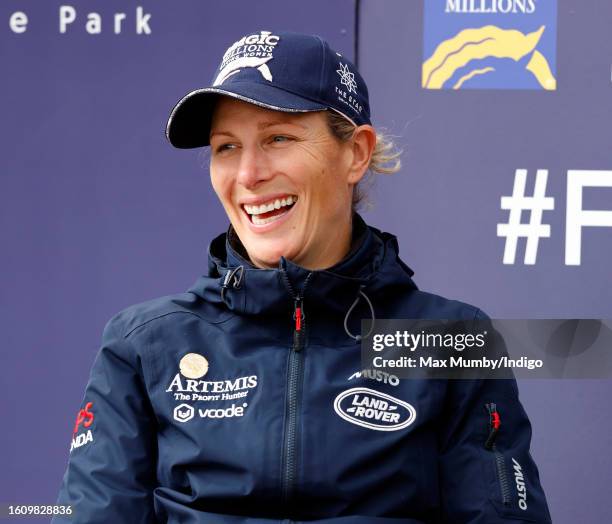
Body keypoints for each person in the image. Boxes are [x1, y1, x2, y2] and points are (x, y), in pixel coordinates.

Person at [53, 30, 552, 523]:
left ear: (355, 153)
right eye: (226, 147)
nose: (249, 174)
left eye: (278, 138)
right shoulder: (145, 343)